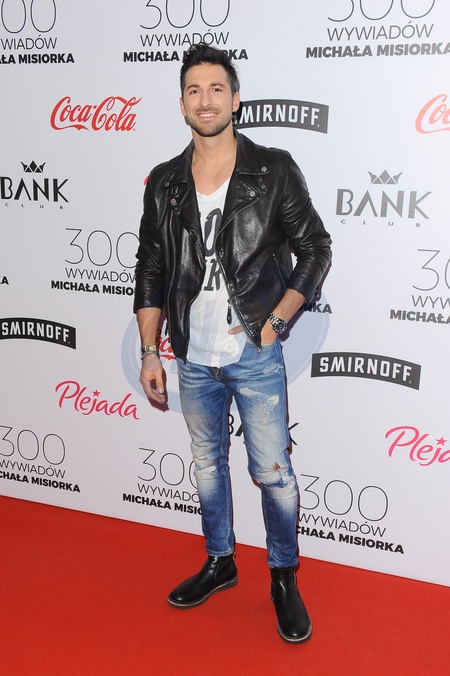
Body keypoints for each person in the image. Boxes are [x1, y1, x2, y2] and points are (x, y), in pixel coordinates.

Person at [134, 43, 331, 644]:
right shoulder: (165, 182)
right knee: (206, 465)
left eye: (216, 89)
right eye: (194, 90)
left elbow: (316, 248)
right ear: (182, 104)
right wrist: (150, 349)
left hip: (254, 352)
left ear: (235, 98)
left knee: (273, 472)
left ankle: (283, 577)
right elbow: (150, 268)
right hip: (192, 356)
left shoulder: (273, 170)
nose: (206, 100)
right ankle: (220, 561)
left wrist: (278, 322)